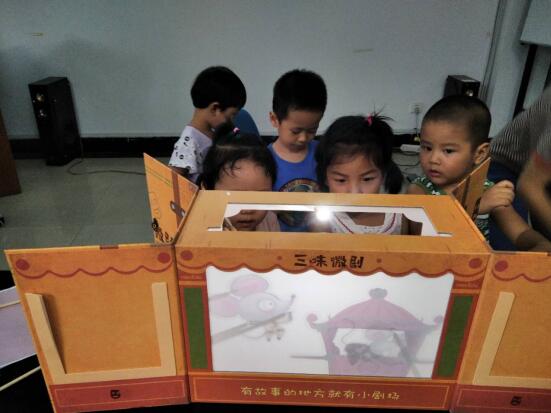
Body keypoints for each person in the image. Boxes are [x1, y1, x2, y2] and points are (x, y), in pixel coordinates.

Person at [408, 95, 550, 252]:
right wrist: (474, 207)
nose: (433, 159)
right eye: (427, 148)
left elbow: (521, 233)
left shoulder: (486, 190)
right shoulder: (419, 189)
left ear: (480, 154)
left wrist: (540, 244)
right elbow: (420, 233)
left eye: (448, 151)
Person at [314, 114, 406, 234]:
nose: (354, 192)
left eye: (367, 179)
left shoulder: (400, 216)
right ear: (325, 177)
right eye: (341, 180)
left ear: (383, 174)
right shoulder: (324, 221)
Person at [489, 86, 551, 249]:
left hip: (536, 177)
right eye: (427, 148)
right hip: (509, 166)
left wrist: (540, 244)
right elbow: (530, 186)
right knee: (507, 251)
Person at [268, 69, 327, 232]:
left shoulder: (322, 153)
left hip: (317, 237)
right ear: (274, 119)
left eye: (312, 130)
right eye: (296, 131)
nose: (303, 138)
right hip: (278, 240)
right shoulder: (264, 160)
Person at [168, 66, 246, 183]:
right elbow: (172, 179)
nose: (232, 121)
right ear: (215, 109)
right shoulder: (189, 142)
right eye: (231, 115)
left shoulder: (211, 133)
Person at [199, 122, 279, 232]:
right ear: (207, 190)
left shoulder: (269, 220)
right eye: (236, 198)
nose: (248, 210)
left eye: (260, 198)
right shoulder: (199, 229)